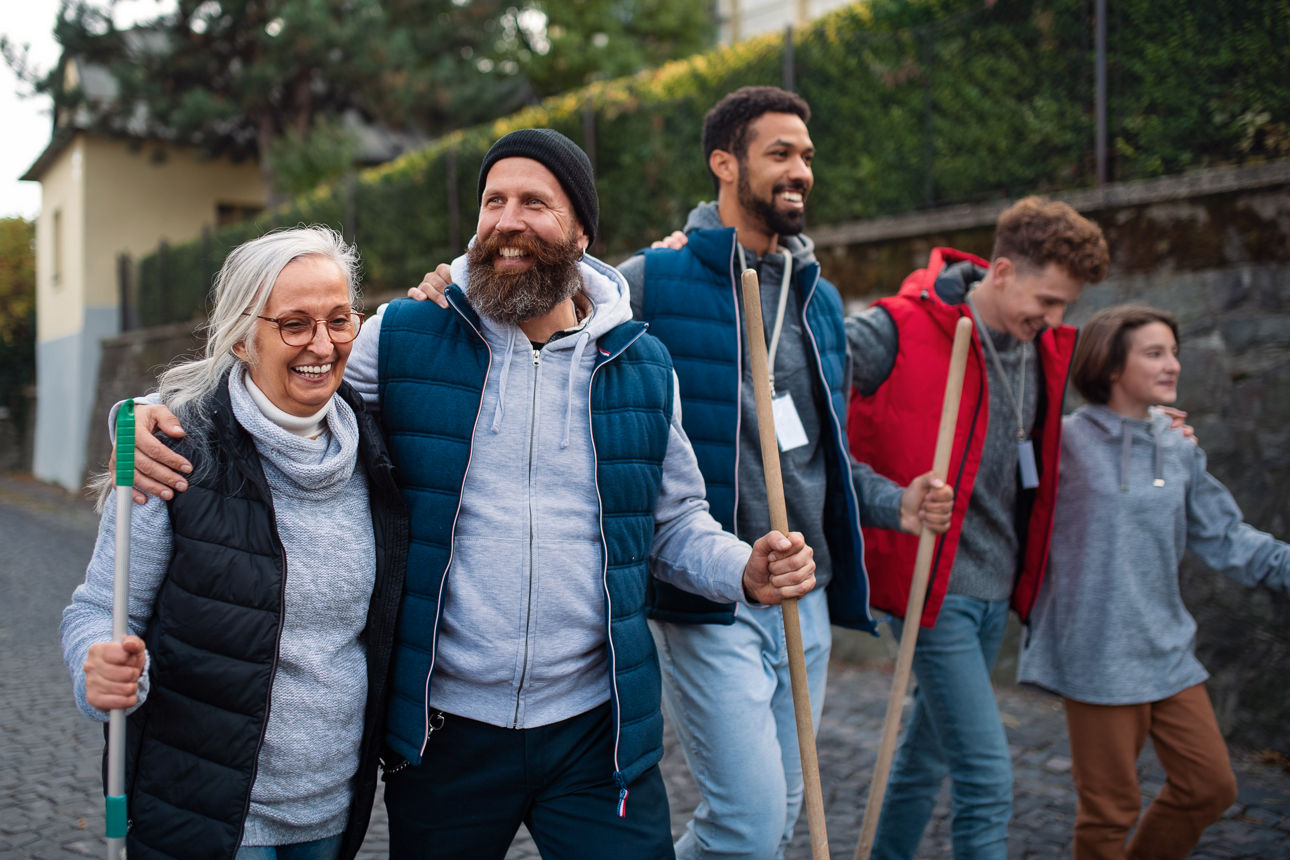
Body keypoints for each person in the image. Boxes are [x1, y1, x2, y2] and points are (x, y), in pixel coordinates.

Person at [120, 128, 819, 859]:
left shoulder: (643, 364)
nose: (507, 220)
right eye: (493, 201)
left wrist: (744, 569)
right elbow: (272, 389)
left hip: (597, 732)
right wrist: (138, 418)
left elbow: (674, 524)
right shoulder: (407, 335)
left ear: (582, 230)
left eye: (534, 203)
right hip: (445, 732)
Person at [409, 86, 955, 860]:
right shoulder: (654, 280)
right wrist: (451, 289)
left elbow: (822, 453)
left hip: (799, 585)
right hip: (703, 602)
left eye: (807, 155)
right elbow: (564, 297)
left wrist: (894, 504)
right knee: (750, 821)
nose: (801, 170)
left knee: (783, 809)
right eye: (780, 153)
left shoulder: (821, 301)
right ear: (724, 164)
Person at [61, 226, 408, 860]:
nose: (322, 344)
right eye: (294, 325)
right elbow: (98, 611)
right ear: (243, 339)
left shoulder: (377, 450)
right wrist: (99, 665)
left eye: (339, 320)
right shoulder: (171, 454)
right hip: (208, 807)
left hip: (332, 806)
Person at [846, 196, 1111, 859]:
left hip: (996, 590)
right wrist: (886, 499)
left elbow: (1073, 436)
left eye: (1065, 307)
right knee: (987, 778)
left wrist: (1156, 433)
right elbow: (803, 380)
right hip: (932, 590)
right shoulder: (899, 327)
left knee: (924, 758)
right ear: (1002, 271)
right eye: (1047, 301)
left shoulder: (1039, 348)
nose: (1056, 320)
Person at [1017, 305, 1289, 859]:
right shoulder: (1062, 443)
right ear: (1112, 365)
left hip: (1167, 650)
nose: (1173, 365)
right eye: (1155, 353)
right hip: (1096, 654)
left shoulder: (1179, 446)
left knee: (1210, 786)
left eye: (1174, 352)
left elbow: (1225, 536)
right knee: (1110, 812)